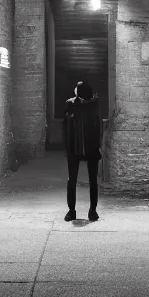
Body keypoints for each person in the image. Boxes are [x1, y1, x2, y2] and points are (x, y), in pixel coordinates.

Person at [63, 81, 102, 222]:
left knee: (77, 180)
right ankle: (87, 211)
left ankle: (79, 211)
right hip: (83, 147)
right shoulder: (86, 105)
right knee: (87, 180)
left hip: (81, 147)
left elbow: (66, 126)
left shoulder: (75, 105)